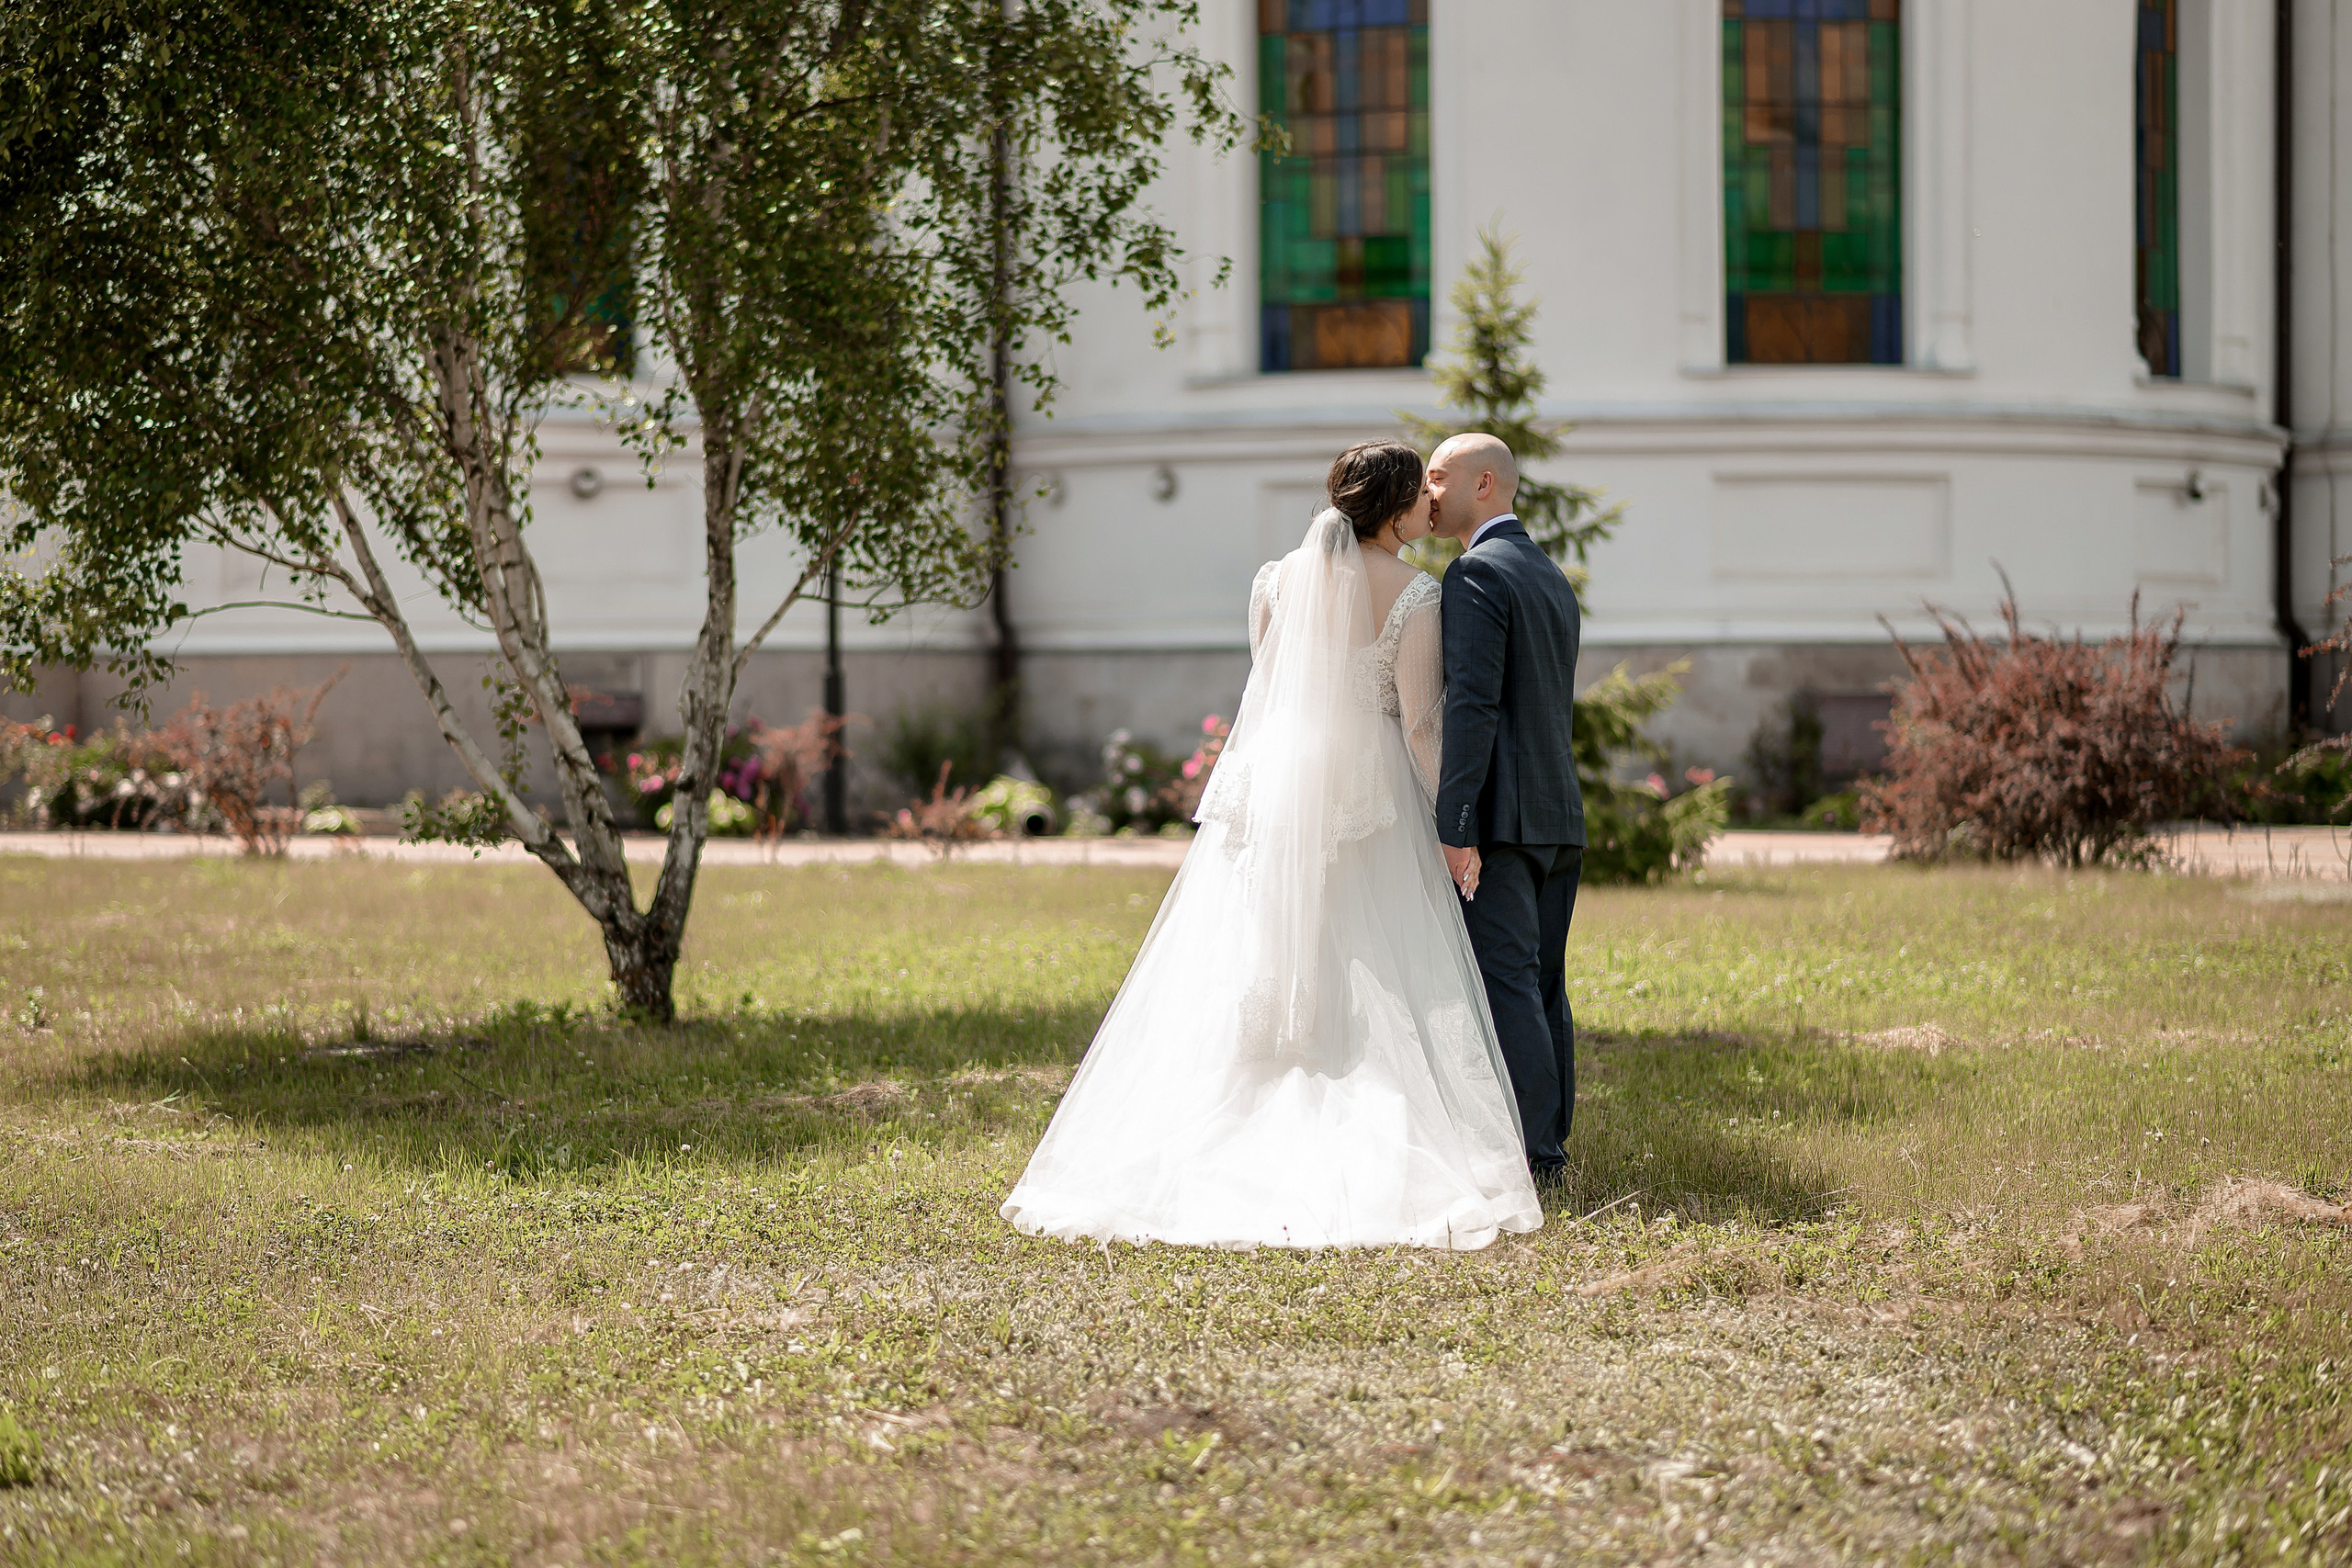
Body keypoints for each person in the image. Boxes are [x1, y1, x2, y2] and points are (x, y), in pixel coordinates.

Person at [1001, 440, 1543, 1250]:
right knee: (1370, 948)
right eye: (1420, 493)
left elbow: (1275, 683)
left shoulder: (1275, 580)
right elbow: (1421, 724)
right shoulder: (1416, 594)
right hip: (1368, 790)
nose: (1431, 505)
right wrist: (1450, 821)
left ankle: (1249, 1078)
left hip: (1278, 779)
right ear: (1396, 510)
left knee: (1263, 940)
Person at [1425, 434, 1586, 1184]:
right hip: (1558, 814)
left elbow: (1474, 706)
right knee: (1544, 980)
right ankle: (1550, 1143)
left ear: (1483, 483)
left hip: (1505, 819)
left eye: (1438, 476)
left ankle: (1537, 1156)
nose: (1427, 492)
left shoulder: (1475, 572)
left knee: (1509, 982)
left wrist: (1455, 823)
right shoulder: (1549, 574)